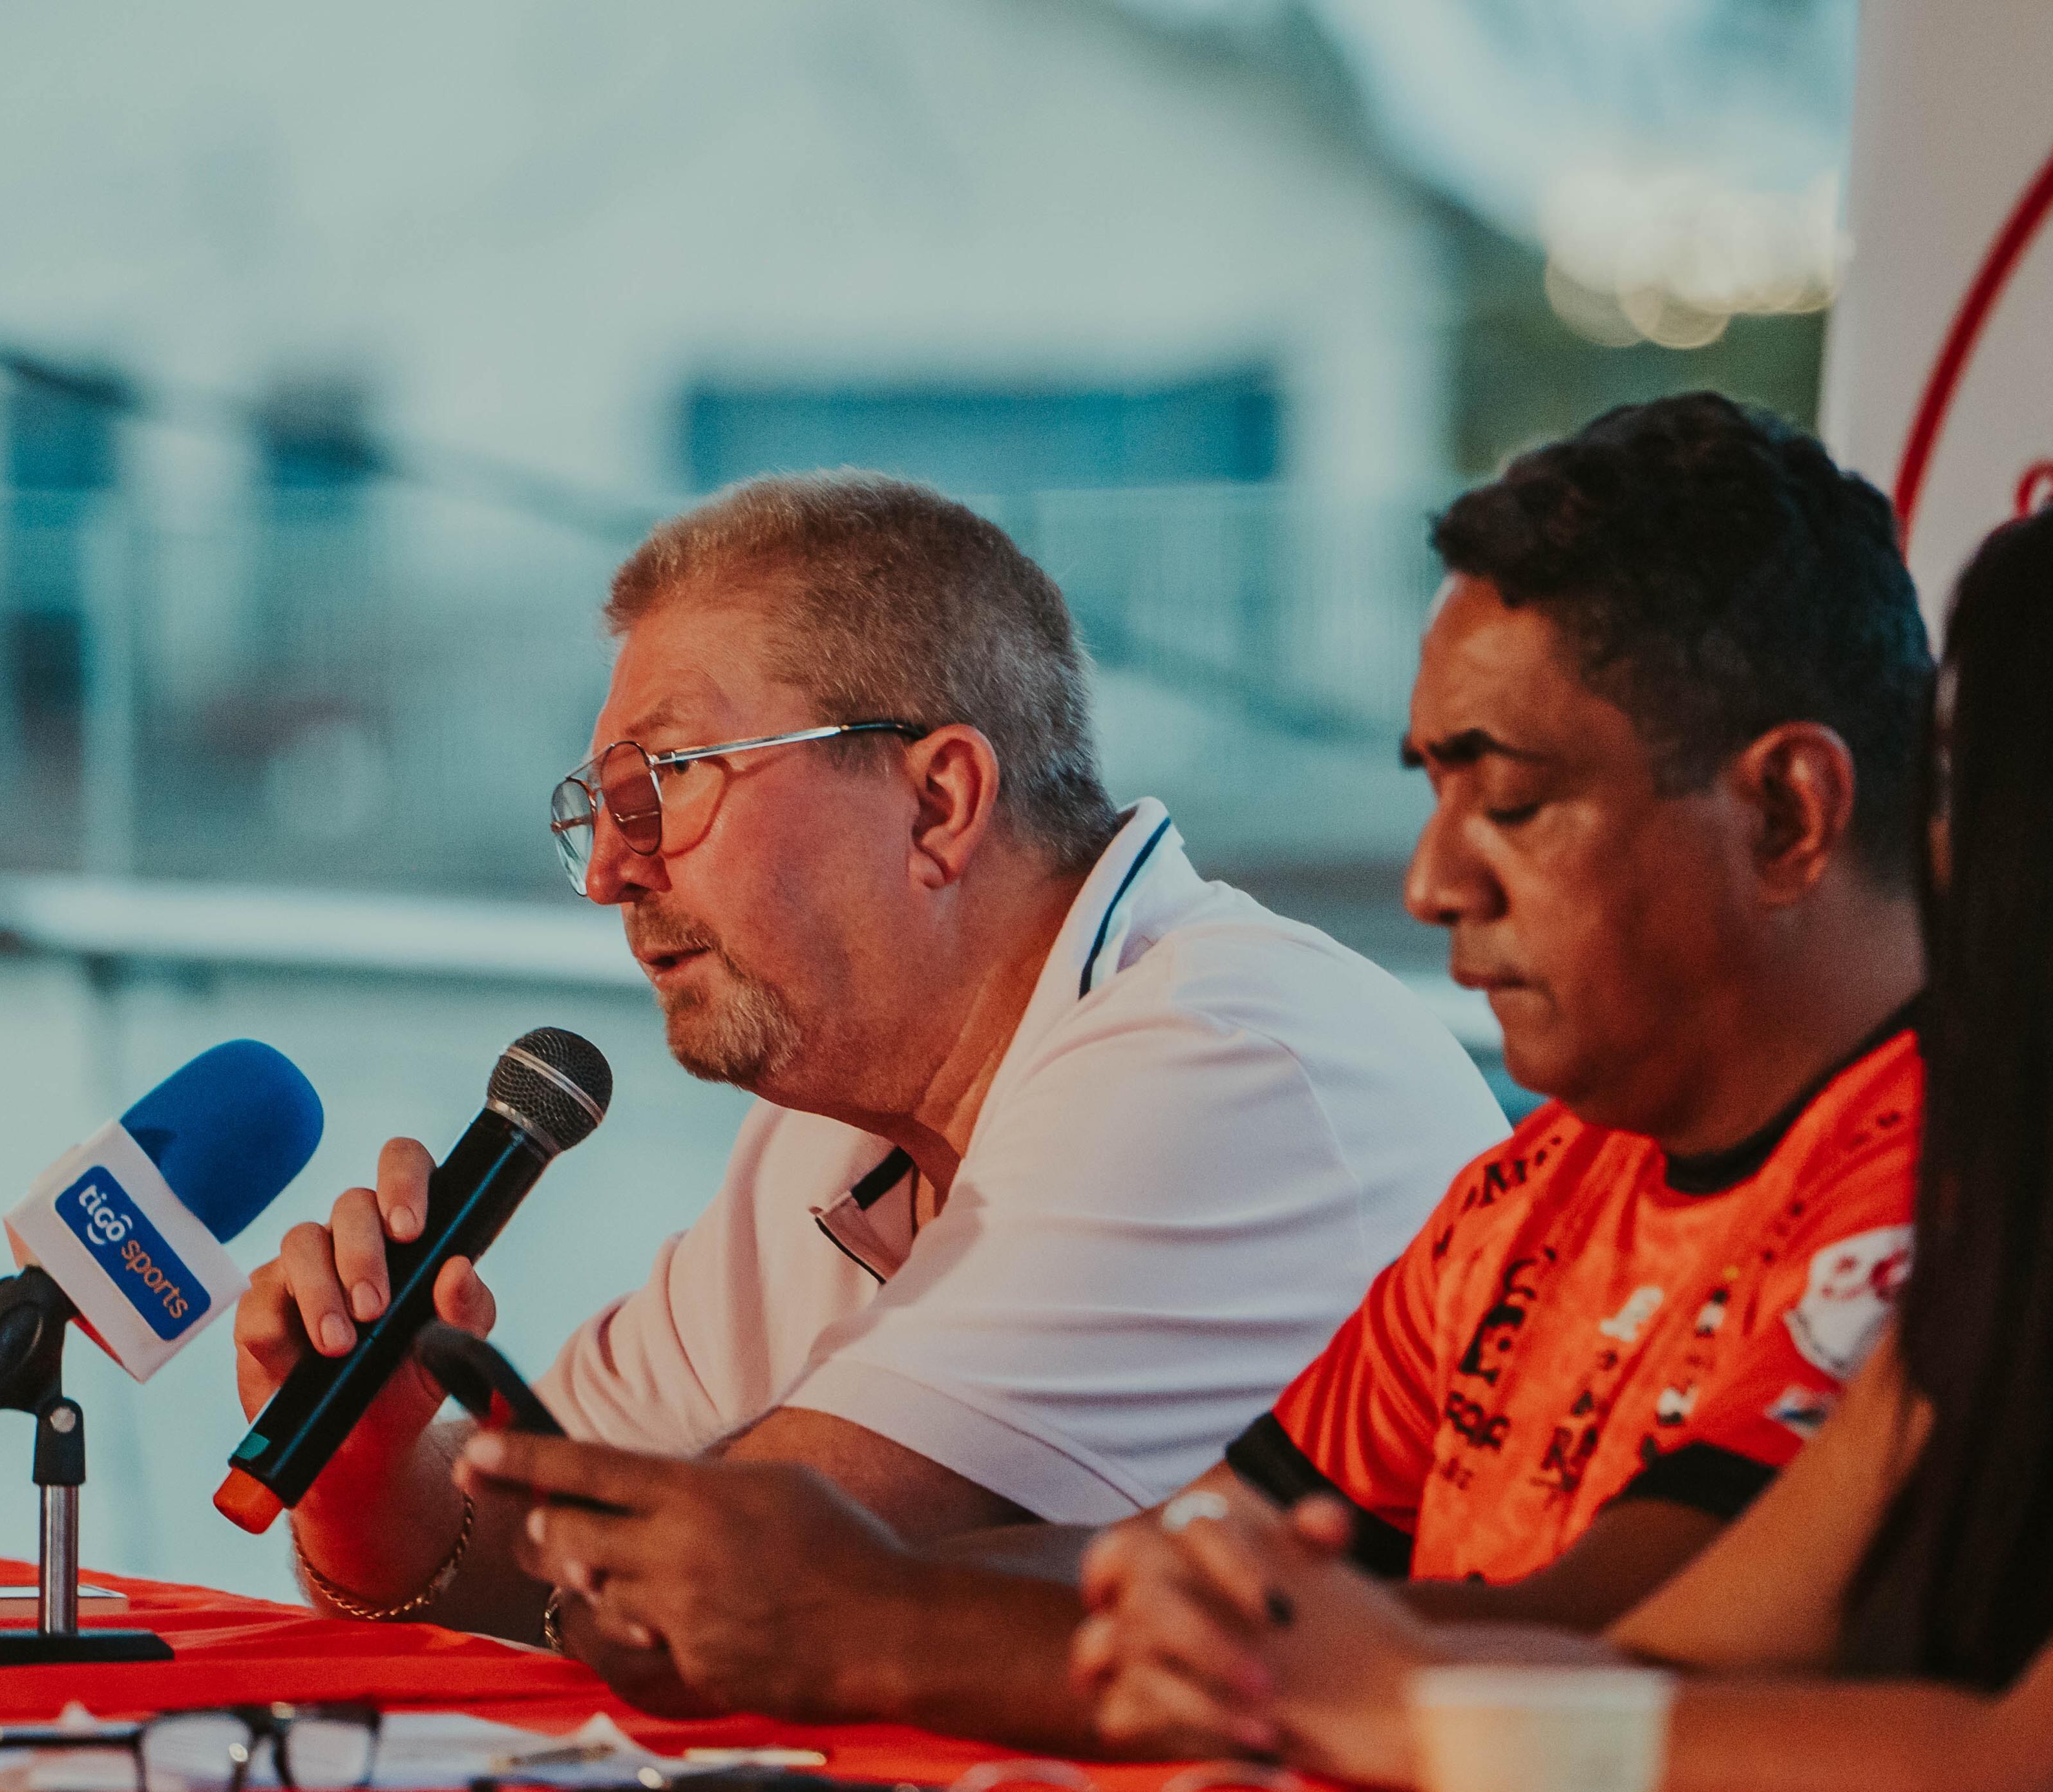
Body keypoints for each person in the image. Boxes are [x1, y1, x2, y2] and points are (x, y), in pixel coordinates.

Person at [463, 393, 1935, 1742]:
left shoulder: (1955, 1180)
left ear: (1792, 813)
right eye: (1431, 793)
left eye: (1517, 801)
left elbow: (1615, 1651)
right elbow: (1218, 1556)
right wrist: (830, 1578)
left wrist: (877, 1613)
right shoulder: (1536, 1192)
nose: (1430, 883)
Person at [232, 471, 1506, 1694]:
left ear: (938, 801)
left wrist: (541, 1545)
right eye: (601, 812)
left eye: (662, 787)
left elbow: (697, 1599)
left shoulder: (1214, 1060)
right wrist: (368, 1471)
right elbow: (542, 1558)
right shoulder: (837, 1112)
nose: (612, 875)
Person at [1074, 461, 2053, 1791]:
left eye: (1974, 786)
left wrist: (1414, 1705)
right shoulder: (2026, 1244)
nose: (1933, 856)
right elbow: (1669, 1658)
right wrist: (1275, 1664)